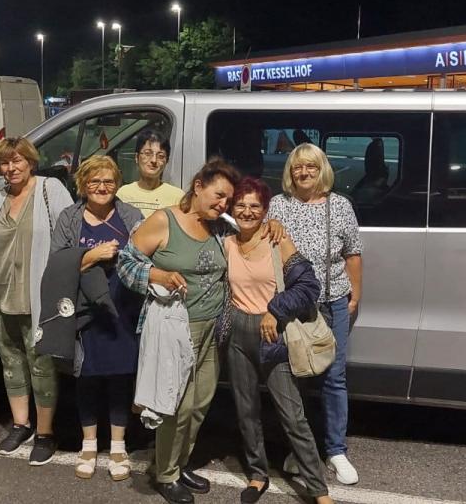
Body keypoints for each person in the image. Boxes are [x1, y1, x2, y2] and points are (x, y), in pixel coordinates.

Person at [118, 159, 240, 504]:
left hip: (212, 329)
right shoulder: (164, 220)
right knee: (177, 406)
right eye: (218, 195)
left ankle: (179, 462)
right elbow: (125, 264)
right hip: (176, 327)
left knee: (200, 404)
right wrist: (155, 275)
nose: (223, 204)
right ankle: (166, 473)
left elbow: (252, 233)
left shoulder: (220, 227)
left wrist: (272, 225)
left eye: (228, 200)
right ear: (198, 186)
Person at [224, 177, 333, 504]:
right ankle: (258, 475)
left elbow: (309, 286)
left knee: (292, 415)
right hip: (237, 332)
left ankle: (318, 490)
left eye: (254, 206)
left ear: (265, 211)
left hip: (273, 333)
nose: (246, 211)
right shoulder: (226, 242)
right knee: (246, 410)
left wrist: (275, 310)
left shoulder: (276, 239)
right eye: (240, 205)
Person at [267, 143, 364, 485]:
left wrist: (355, 296)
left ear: (321, 170)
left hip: (333, 301)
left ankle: (336, 450)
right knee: (297, 375)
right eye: (297, 167)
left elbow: (353, 254)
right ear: (290, 172)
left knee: (334, 377)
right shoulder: (278, 205)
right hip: (294, 304)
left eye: (310, 166)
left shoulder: (340, 206)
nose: (304, 172)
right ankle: (301, 448)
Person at [50, 156, 145, 481]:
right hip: (84, 310)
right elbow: (56, 263)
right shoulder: (70, 217)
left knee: (121, 376)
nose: (102, 187)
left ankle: (118, 445)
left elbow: (146, 256)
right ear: (82, 184)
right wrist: (92, 255)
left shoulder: (131, 215)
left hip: (123, 308)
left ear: (117, 184)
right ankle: (88, 444)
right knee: (86, 376)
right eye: (94, 181)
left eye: (108, 181)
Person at [0, 136, 73, 465]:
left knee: (42, 365)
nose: (11, 168)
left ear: (31, 162)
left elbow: (68, 236)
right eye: (4, 162)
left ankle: (45, 432)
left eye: (17, 160)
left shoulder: (50, 189)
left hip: (39, 294)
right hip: (1, 294)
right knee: (11, 362)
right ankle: (20, 424)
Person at [116, 131, 184, 218]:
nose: (154, 160)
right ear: (136, 157)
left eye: (160, 156)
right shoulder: (123, 194)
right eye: (148, 154)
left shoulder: (177, 197)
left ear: (167, 161)